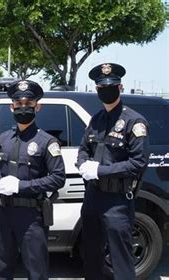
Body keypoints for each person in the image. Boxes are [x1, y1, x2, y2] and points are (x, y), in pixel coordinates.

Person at [77, 63, 149, 280]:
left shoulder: (134, 121)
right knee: (91, 256)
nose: (106, 90)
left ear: (120, 87)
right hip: (92, 198)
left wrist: (100, 171)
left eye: (111, 86)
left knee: (120, 259)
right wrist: (83, 165)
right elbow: (83, 150)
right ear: (97, 90)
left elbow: (138, 163)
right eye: (102, 87)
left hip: (117, 200)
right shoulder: (96, 119)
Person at [0, 80, 65, 280]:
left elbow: (58, 178)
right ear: (11, 107)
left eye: (28, 104)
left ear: (37, 106)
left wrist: (20, 186)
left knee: (36, 271)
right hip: (4, 213)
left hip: (32, 216)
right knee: (2, 269)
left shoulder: (47, 142)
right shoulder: (4, 138)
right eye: (19, 104)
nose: (23, 107)